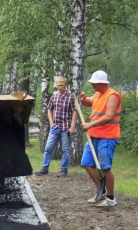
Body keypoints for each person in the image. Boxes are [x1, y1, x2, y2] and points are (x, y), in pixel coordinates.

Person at [79, 70, 122, 207]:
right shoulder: (98, 93)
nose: (93, 86)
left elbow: (108, 116)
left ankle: (110, 199)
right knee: (86, 162)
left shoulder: (112, 96)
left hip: (107, 137)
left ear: (103, 83)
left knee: (105, 168)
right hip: (93, 135)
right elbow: (89, 102)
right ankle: (101, 189)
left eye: (95, 84)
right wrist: (84, 99)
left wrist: (89, 124)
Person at [35, 77, 77, 177]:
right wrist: (51, 122)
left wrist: (72, 126)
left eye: (62, 85)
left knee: (65, 149)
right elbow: (49, 109)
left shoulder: (70, 97)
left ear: (66, 85)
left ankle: (64, 170)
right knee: (48, 148)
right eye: (59, 85)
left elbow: (74, 111)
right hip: (55, 127)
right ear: (56, 86)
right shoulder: (54, 96)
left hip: (65, 127)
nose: (60, 87)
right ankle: (44, 168)